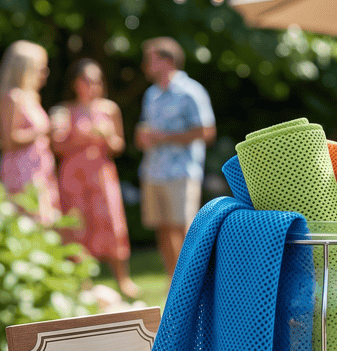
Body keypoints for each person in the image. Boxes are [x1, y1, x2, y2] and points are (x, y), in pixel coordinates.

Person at [50, 58, 140, 300]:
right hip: (73, 177)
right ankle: (84, 283)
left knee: (112, 223)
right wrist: (86, 136)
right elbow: (56, 146)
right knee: (78, 226)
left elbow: (118, 146)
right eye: (87, 80)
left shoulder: (109, 109)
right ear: (75, 82)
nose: (92, 85)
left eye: (97, 80)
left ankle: (123, 280)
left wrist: (108, 137)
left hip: (101, 174)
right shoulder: (62, 110)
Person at [136, 37, 216, 279]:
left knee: (185, 230)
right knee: (163, 229)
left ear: (167, 61)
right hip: (153, 171)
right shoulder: (151, 95)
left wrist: (164, 137)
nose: (145, 64)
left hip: (181, 171)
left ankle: (193, 284)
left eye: (150, 59)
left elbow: (206, 132)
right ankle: (174, 282)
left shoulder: (191, 91)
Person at [0, 40, 61, 225]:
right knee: (29, 224)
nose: (44, 73)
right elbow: (7, 141)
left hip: (39, 169)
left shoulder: (32, 97)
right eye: (40, 68)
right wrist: (43, 130)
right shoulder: (11, 98)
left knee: (46, 222)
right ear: (24, 68)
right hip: (21, 172)